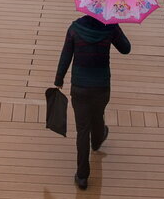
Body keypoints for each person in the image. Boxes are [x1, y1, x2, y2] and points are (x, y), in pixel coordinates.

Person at [54, 14, 131, 190]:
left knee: (82, 130)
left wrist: (59, 80)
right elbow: (126, 48)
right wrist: (115, 27)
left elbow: (66, 55)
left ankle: (82, 176)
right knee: (97, 116)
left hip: (80, 86)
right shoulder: (110, 26)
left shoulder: (75, 28)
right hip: (101, 85)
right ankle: (97, 140)